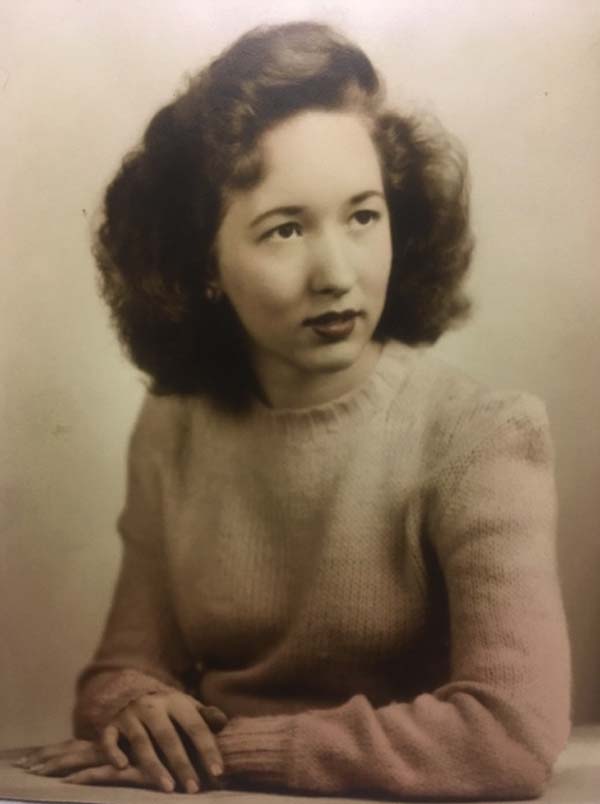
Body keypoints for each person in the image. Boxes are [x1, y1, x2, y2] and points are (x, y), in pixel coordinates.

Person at [16, 20, 571, 801]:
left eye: (364, 216)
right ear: (204, 265)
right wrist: (136, 709)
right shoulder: (176, 424)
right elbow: (122, 671)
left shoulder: (482, 435)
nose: (336, 273)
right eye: (285, 229)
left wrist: (228, 751)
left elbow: (509, 738)